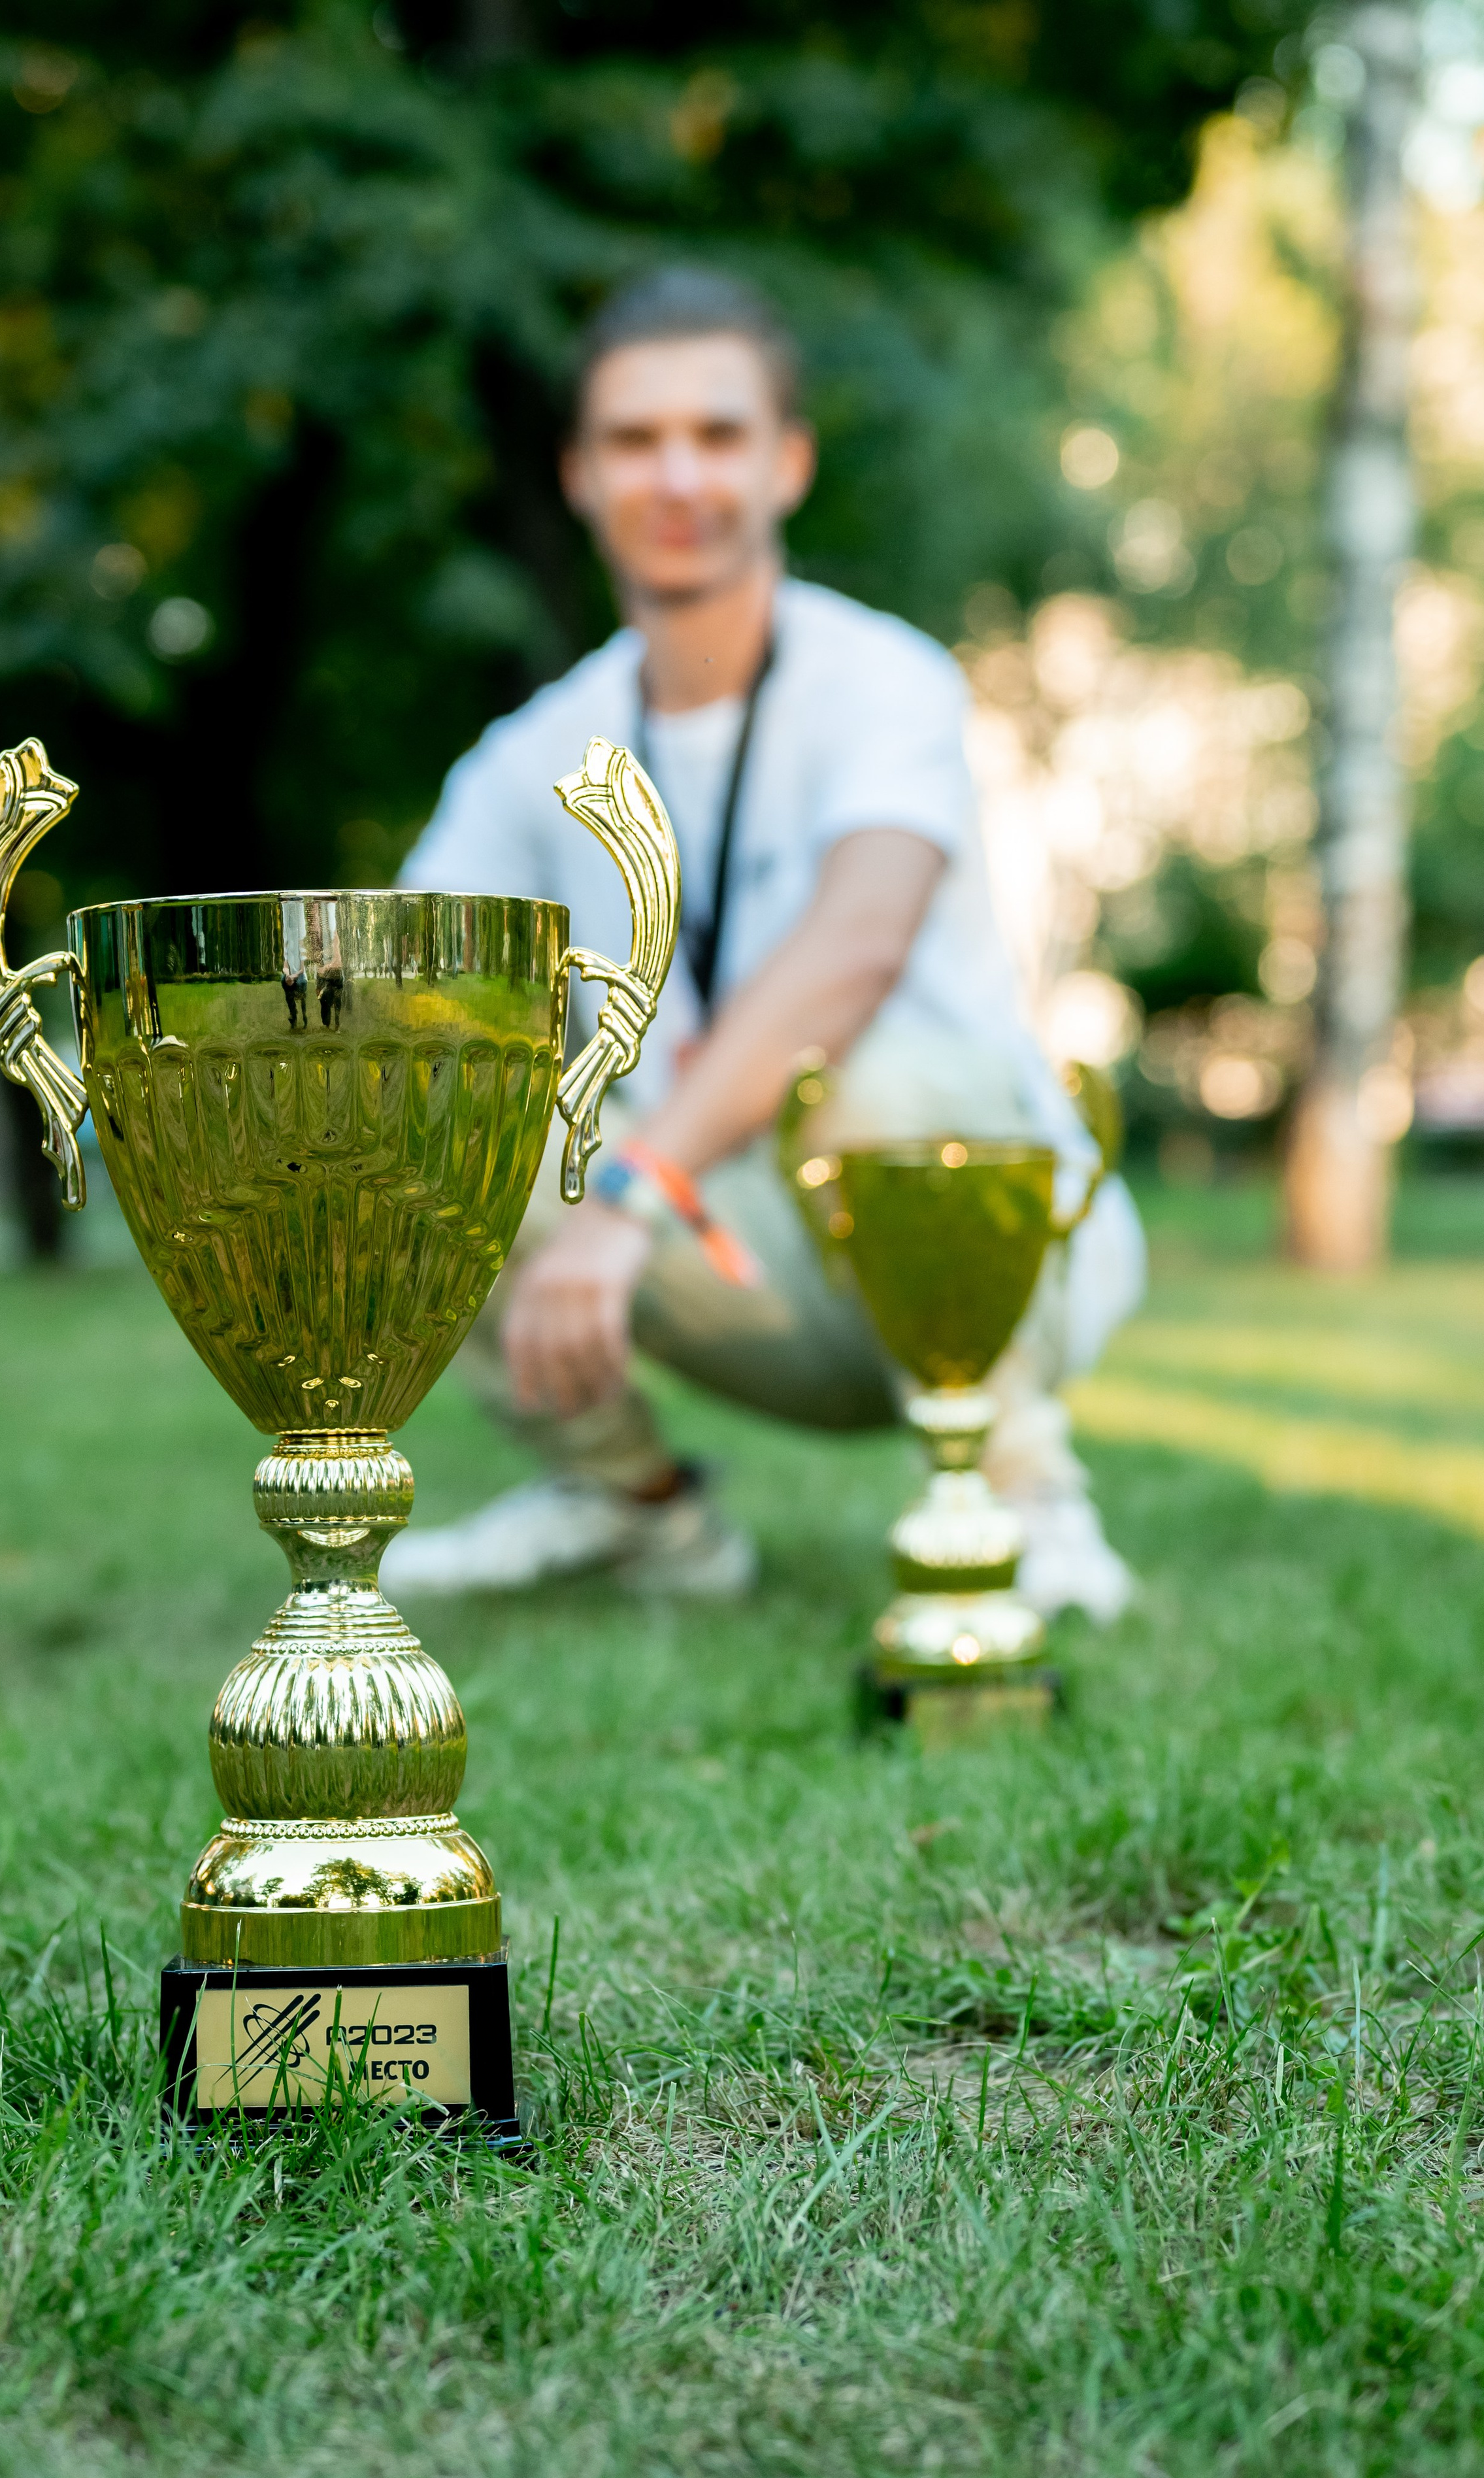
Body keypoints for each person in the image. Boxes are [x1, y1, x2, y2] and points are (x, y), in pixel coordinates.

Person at [381, 267, 1144, 1618]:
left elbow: (854, 948)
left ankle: (1025, 1492)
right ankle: (638, 1514)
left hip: (985, 1245)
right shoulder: (530, 758)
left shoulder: (883, 679)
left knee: (862, 1063)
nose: (676, 475)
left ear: (786, 462)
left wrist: (633, 1192)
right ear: (576, 474)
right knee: (426, 1120)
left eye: (716, 435)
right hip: (732, 1263)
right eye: (633, 439)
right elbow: (405, 994)